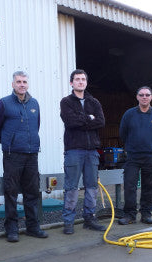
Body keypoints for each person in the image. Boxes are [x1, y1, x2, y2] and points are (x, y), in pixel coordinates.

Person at [0, 71, 48, 242]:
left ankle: (33, 227)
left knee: (32, 192)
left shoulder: (34, 103)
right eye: (18, 82)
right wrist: (9, 142)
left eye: (24, 82)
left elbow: (36, 126)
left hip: (31, 154)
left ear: (27, 84)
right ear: (13, 84)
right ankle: (12, 229)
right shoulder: (4, 103)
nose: (22, 84)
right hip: (12, 155)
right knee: (11, 192)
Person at [60, 69, 106, 234]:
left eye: (83, 79)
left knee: (92, 187)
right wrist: (89, 118)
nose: (80, 82)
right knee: (71, 187)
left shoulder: (94, 102)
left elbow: (101, 122)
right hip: (74, 151)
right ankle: (68, 222)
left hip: (92, 151)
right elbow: (70, 122)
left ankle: (90, 218)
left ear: (86, 82)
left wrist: (85, 120)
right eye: (77, 79)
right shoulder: (66, 102)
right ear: (72, 83)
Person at [118, 86, 152, 225]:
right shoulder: (129, 115)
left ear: (151, 97)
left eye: (147, 95)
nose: (144, 97)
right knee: (129, 186)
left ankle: (146, 214)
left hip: (150, 157)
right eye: (141, 95)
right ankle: (130, 215)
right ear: (137, 97)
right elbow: (123, 134)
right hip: (133, 157)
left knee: (148, 186)